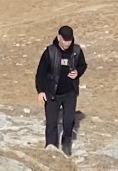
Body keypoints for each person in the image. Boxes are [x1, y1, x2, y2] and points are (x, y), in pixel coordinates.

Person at [35, 25, 88, 155]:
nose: (67, 42)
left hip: (70, 93)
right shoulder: (50, 52)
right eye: (65, 39)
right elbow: (40, 73)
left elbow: (83, 65)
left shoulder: (76, 51)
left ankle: (66, 146)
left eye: (69, 39)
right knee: (52, 123)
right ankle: (51, 148)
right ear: (59, 37)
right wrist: (41, 91)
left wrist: (77, 72)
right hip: (52, 94)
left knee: (69, 121)